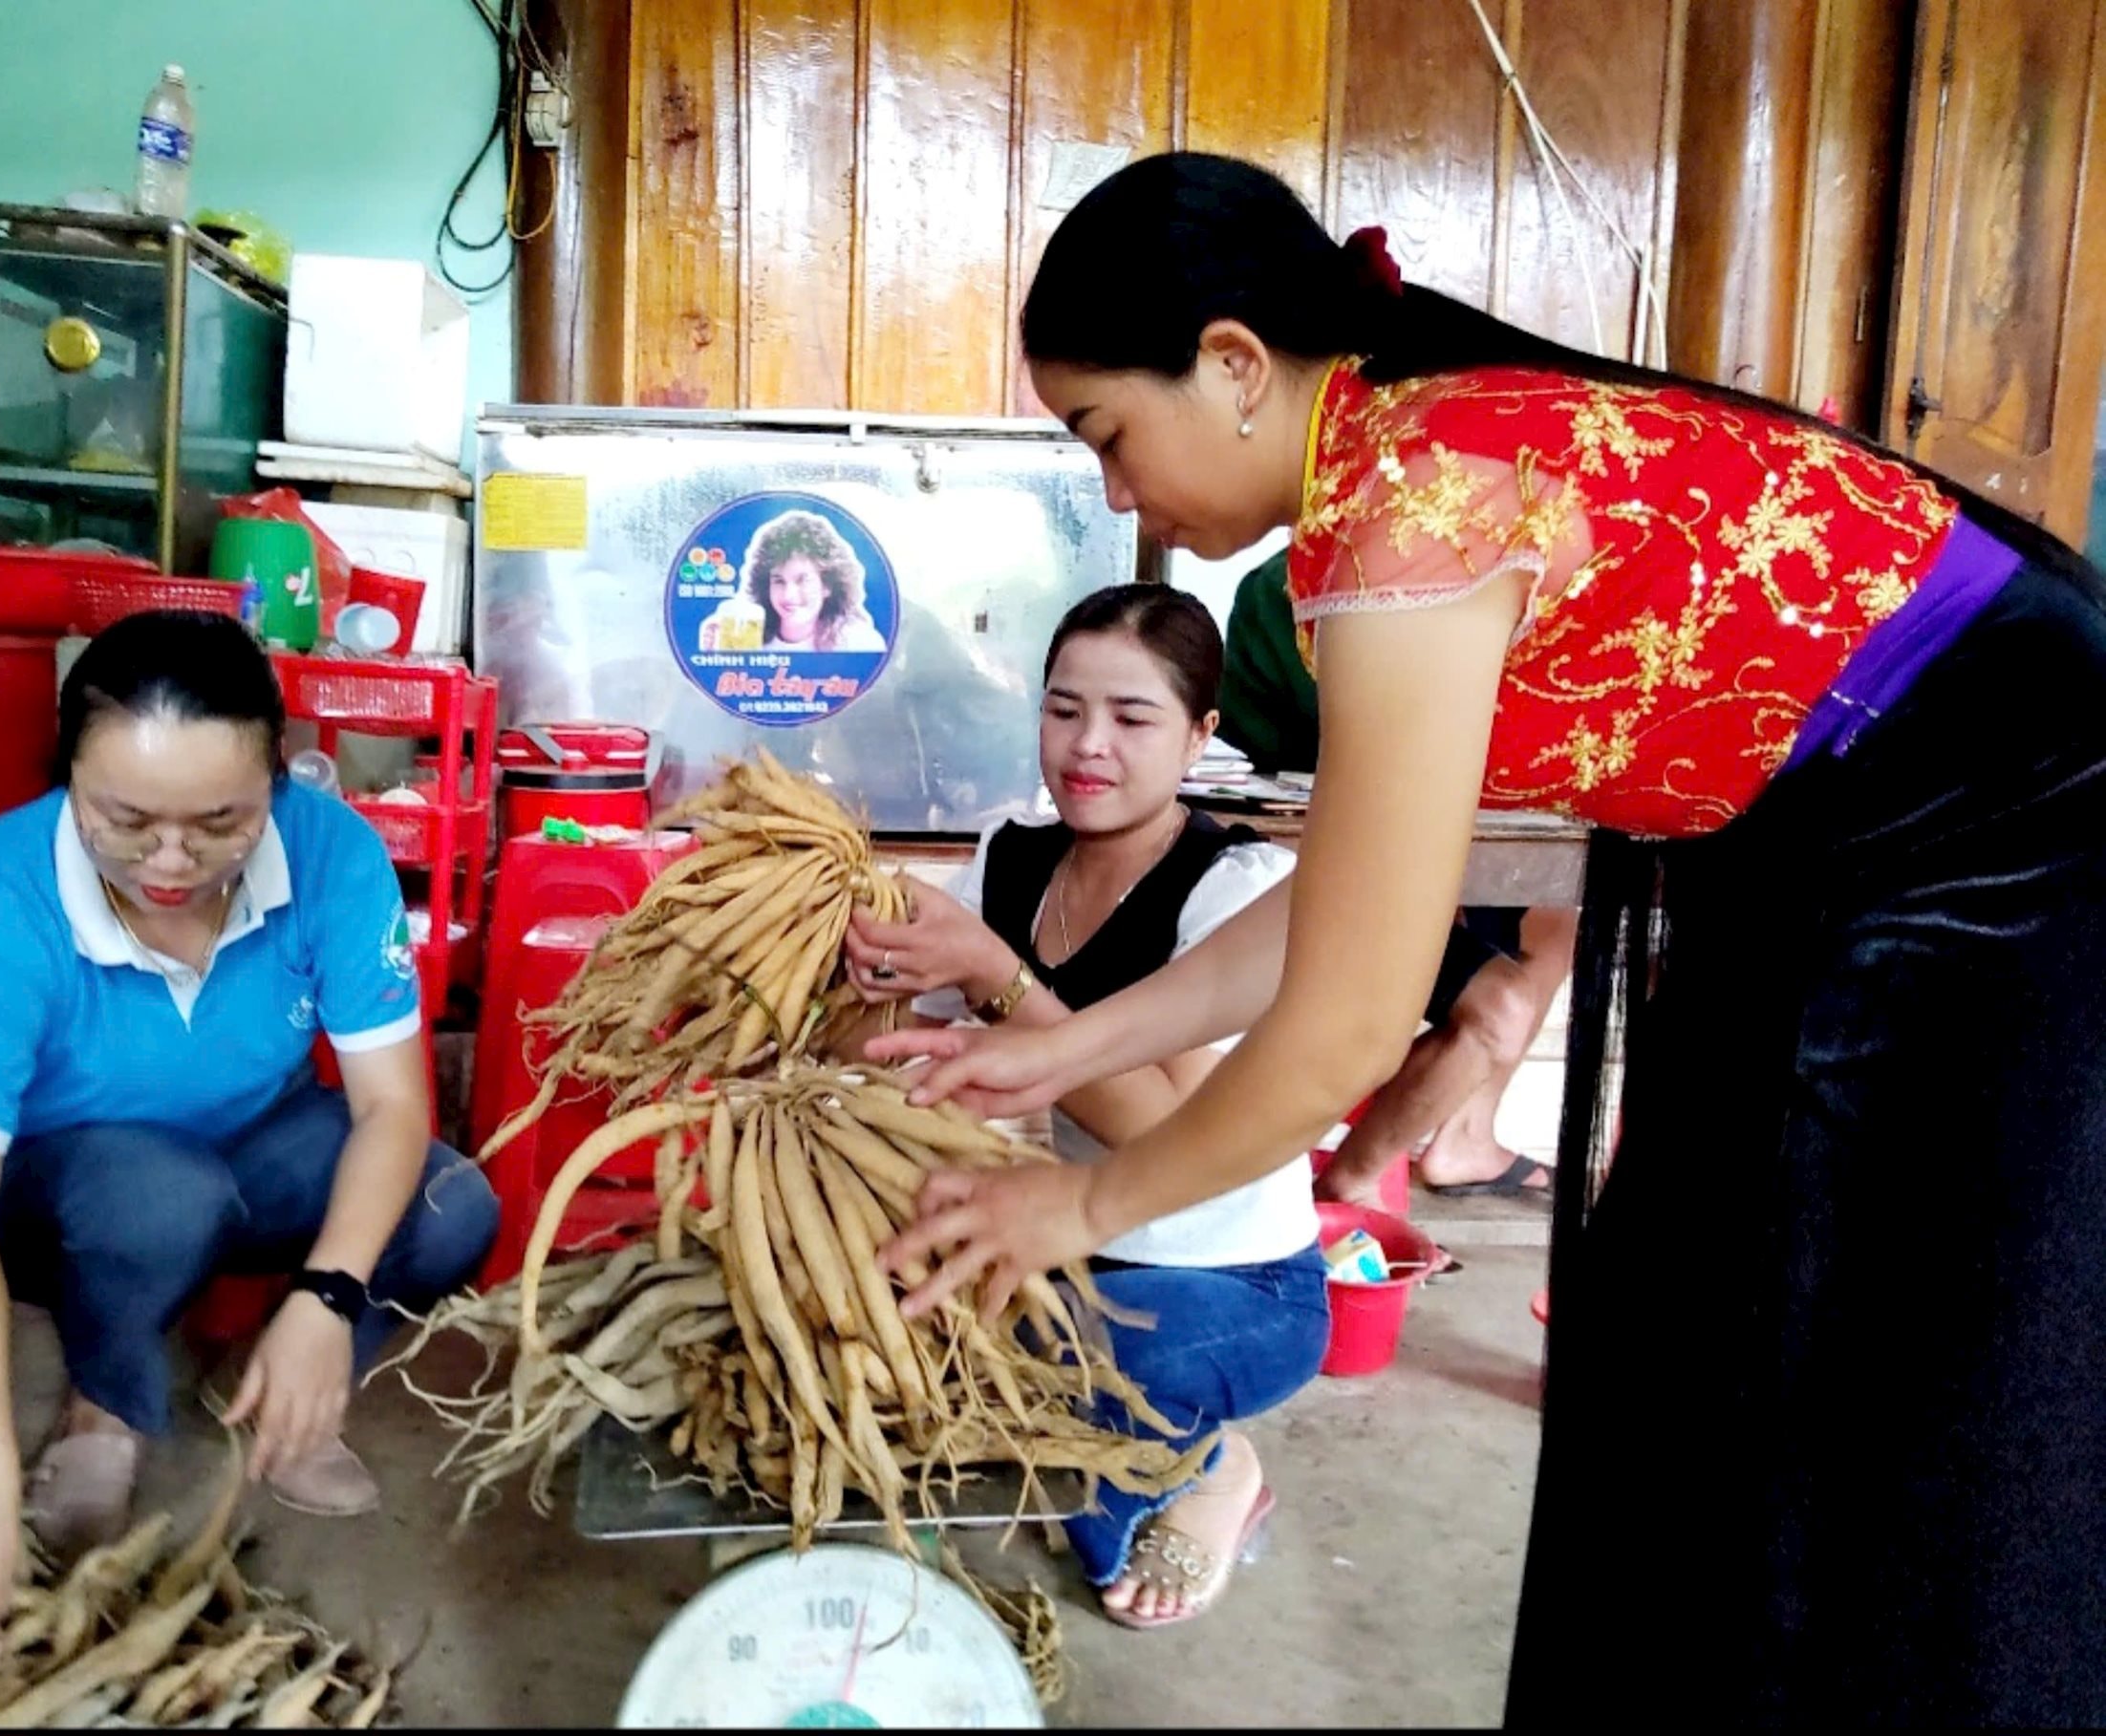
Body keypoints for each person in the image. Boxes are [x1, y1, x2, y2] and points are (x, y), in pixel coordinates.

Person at [870, 151, 2106, 1725]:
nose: (1119, 496)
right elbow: (1350, 905)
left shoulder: (1412, 502)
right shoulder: (1379, 488)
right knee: (1688, 1335)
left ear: (1236, 366)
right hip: (1842, 841)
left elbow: (1346, 1022)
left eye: (1109, 435)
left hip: (2009, 827)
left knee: (1863, 1380)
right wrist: (1070, 1043)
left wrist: (1083, 1196)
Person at [0, 611, 500, 1684]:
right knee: (160, 1193)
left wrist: (328, 1297)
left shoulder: (330, 853)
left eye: (222, 821)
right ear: (66, 774)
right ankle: (104, 1399)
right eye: (125, 818)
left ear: (280, 782)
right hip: (65, 1190)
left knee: (452, 1206)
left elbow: (395, 1108)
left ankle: (290, 1390)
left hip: (242, 1152)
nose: (172, 859)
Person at [836, 583, 1328, 1628]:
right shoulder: (1010, 852)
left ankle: (1218, 1464)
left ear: (1199, 736)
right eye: (1063, 709)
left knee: (1079, 1383)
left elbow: (1165, 1129)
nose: (1087, 745)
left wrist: (993, 974)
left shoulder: (1236, 885)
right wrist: (839, 962)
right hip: (1062, 1238)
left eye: (1132, 717)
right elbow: (892, 1040)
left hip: (1231, 1282)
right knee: (878, 1301)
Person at [1215, 547, 1572, 1197]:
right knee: (1497, 994)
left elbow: (1256, 738)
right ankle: (1352, 1178)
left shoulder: (1276, 586)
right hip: (1339, 873)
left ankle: (1458, 1134)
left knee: (1544, 932)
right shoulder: (1435, 572)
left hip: (1347, 846)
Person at [744, 508, 888, 652]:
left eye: (802, 580)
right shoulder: (749, 642)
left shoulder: (858, 642)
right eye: (779, 581)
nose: (789, 595)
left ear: (827, 586)